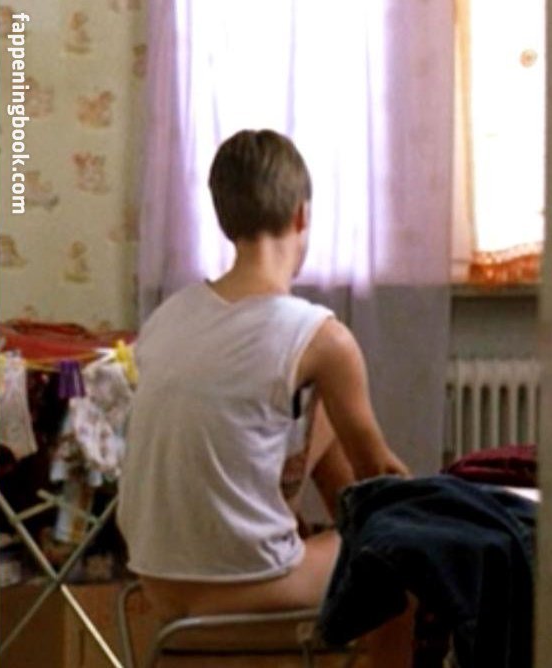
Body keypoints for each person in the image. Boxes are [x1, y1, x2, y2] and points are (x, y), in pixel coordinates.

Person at [117, 129, 414, 661]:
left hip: (156, 588)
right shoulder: (321, 337)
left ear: (225, 218)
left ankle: (319, 547)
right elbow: (383, 479)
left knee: (323, 424)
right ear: (301, 215)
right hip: (241, 594)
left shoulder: (167, 317)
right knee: (410, 555)